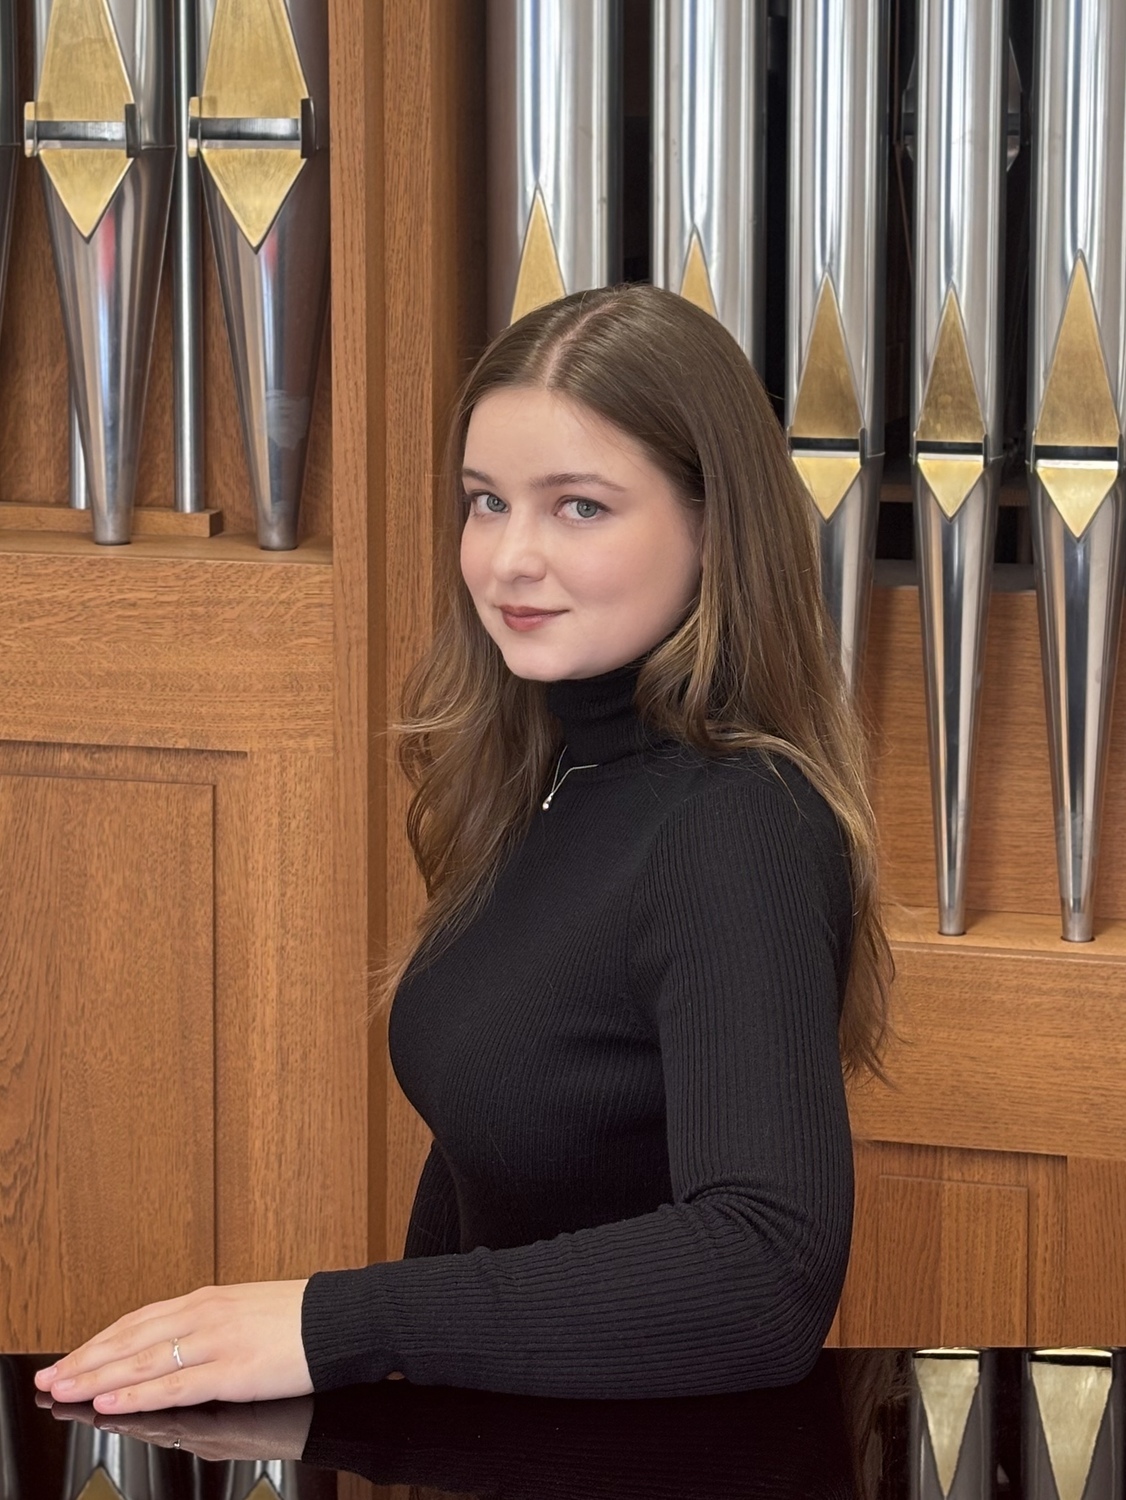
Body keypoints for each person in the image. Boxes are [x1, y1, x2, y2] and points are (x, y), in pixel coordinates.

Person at [35, 284, 890, 1413]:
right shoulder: (555, 775)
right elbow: (486, 1156)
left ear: (713, 524)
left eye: (578, 507)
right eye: (486, 502)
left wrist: (339, 1325)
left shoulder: (737, 824)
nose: (508, 558)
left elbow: (762, 1273)